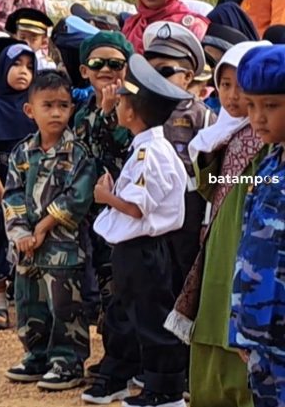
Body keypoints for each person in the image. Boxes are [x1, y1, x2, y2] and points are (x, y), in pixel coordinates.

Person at [83, 54, 191, 407]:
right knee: (123, 313)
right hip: (131, 247)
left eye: (123, 100)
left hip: (146, 247)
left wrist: (105, 196)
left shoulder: (152, 153)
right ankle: (121, 371)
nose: (117, 105)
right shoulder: (144, 146)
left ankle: (165, 389)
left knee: (151, 317)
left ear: (132, 111)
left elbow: (137, 206)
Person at [166, 40, 270, 407]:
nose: (232, 95)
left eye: (241, 85)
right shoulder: (219, 134)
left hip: (250, 245)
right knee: (212, 314)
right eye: (224, 84)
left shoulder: (269, 136)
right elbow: (211, 188)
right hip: (219, 239)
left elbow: (260, 186)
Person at [2, 70, 95, 390]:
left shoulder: (78, 152)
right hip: (27, 248)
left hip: (63, 249)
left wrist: (42, 227)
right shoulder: (21, 153)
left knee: (65, 305)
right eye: (48, 105)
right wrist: (20, 234)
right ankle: (36, 354)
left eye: (63, 105)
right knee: (30, 304)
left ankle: (67, 361)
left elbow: (78, 197)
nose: (56, 112)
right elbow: (11, 196)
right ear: (30, 111)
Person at [143, 21, 217, 299]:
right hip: (149, 201)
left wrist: (206, 219)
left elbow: (214, 172)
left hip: (189, 204)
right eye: (150, 71)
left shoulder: (203, 116)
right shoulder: (144, 110)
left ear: (187, 77)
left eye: (165, 71)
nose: (156, 78)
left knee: (182, 270)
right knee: (153, 272)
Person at [72, 31, 134, 362]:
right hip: (90, 213)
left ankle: (121, 360)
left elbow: (122, 149)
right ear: (85, 70)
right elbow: (80, 152)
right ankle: (113, 354)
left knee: (119, 285)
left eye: (116, 63)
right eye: (98, 63)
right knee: (96, 281)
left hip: (124, 210)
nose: (107, 69)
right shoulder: (80, 111)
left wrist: (110, 114)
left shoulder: (133, 106)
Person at [229, 44, 285, 407]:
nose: (258, 118)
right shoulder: (268, 165)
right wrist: (241, 329)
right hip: (259, 330)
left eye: (271, 106)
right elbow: (248, 248)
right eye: (251, 106)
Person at [0, 43, 37, 330]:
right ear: (2, 67)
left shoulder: (35, 104)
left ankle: (27, 301)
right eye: (16, 64)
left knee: (28, 239)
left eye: (29, 66)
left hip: (31, 182)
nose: (23, 72)